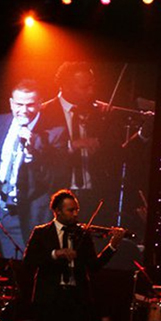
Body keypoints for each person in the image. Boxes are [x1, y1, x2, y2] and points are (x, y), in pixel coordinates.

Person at [23, 189, 125, 321]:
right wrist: (56, 254)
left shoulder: (82, 234)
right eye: (71, 210)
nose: (75, 214)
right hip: (49, 298)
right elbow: (29, 261)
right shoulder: (41, 232)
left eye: (77, 209)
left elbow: (94, 266)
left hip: (76, 299)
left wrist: (112, 246)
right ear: (57, 211)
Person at [0, 79, 52, 259]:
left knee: (20, 269)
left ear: (40, 104)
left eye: (30, 105)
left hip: (22, 216)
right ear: (11, 103)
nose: (23, 110)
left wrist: (32, 151)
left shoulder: (54, 133)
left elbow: (50, 179)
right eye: (19, 104)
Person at [40, 61, 122, 222]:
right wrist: (73, 145)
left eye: (92, 86)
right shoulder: (44, 112)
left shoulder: (99, 112)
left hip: (93, 196)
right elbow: (40, 153)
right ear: (65, 86)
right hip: (56, 195)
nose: (91, 91)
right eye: (85, 87)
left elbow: (115, 151)